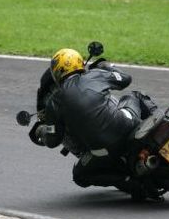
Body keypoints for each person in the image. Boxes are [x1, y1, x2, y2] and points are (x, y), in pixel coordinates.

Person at [30, 48, 158, 193]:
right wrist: (107, 66)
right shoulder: (94, 75)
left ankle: (132, 184)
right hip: (127, 126)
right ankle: (162, 123)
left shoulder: (54, 103)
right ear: (79, 63)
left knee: (80, 176)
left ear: (56, 73)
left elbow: (53, 140)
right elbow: (126, 78)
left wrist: (42, 129)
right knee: (136, 95)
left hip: (102, 151)